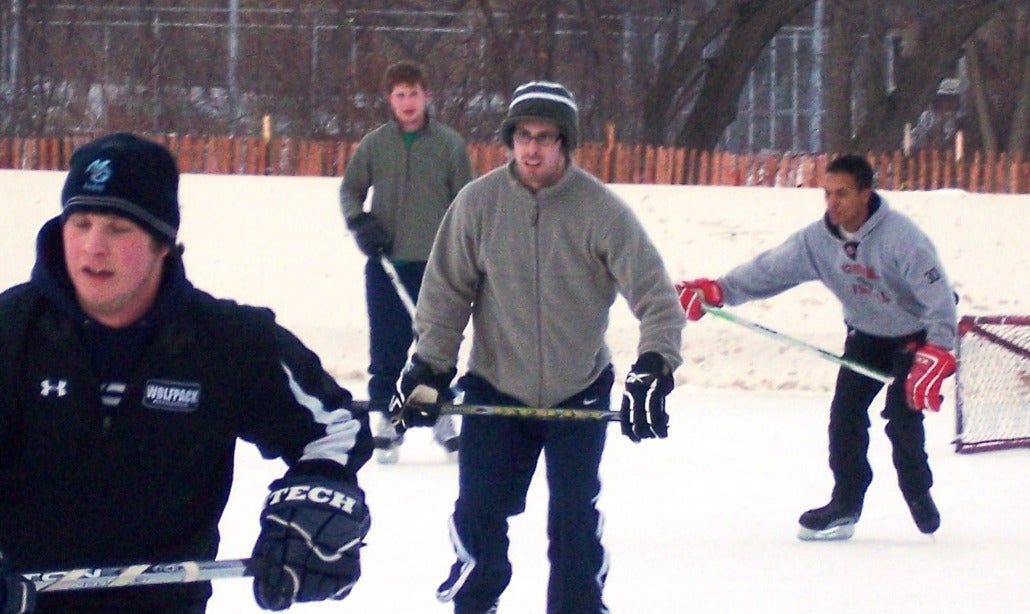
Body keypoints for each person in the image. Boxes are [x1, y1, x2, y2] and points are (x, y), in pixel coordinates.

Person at [0, 133, 374, 613]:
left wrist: (320, 495)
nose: (93, 247)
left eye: (118, 228)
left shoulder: (229, 341)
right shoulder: (11, 331)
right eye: (81, 222)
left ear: (163, 244)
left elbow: (334, 429)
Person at [389, 81, 685, 614]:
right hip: (496, 388)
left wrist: (654, 367)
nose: (531, 148)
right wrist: (430, 367)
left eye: (545, 137)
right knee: (479, 515)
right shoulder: (477, 204)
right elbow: (445, 296)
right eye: (523, 136)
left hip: (579, 392)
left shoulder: (603, 212)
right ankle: (474, 603)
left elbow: (658, 299)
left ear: (565, 143)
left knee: (573, 527)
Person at [678, 154, 957, 541]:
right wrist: (719, 290)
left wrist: (939, 347)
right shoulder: (816, 241)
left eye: (843, 193)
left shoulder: (903, 239)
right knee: (845, 417)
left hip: (913, 337)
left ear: (866, 193)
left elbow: (940, 297)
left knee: (901, 418)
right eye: (827, 193)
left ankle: (917, 490)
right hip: (865, 336)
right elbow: (770, 269)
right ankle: (845, 503)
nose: (833, 203)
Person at [339, 59, 474, 463]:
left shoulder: (449, 145)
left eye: (414, 93)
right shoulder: (375, 145)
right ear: (389, 99)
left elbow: (466, 202)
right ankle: (387, 418)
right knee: (388, 346)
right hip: (386, 265)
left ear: (426, 95)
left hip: (437, 267)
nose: (408, 101)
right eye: (400, 95)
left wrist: (460, 251)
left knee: (437, 345)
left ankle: (443, 416)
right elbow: (350, 191)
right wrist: (360, 223)